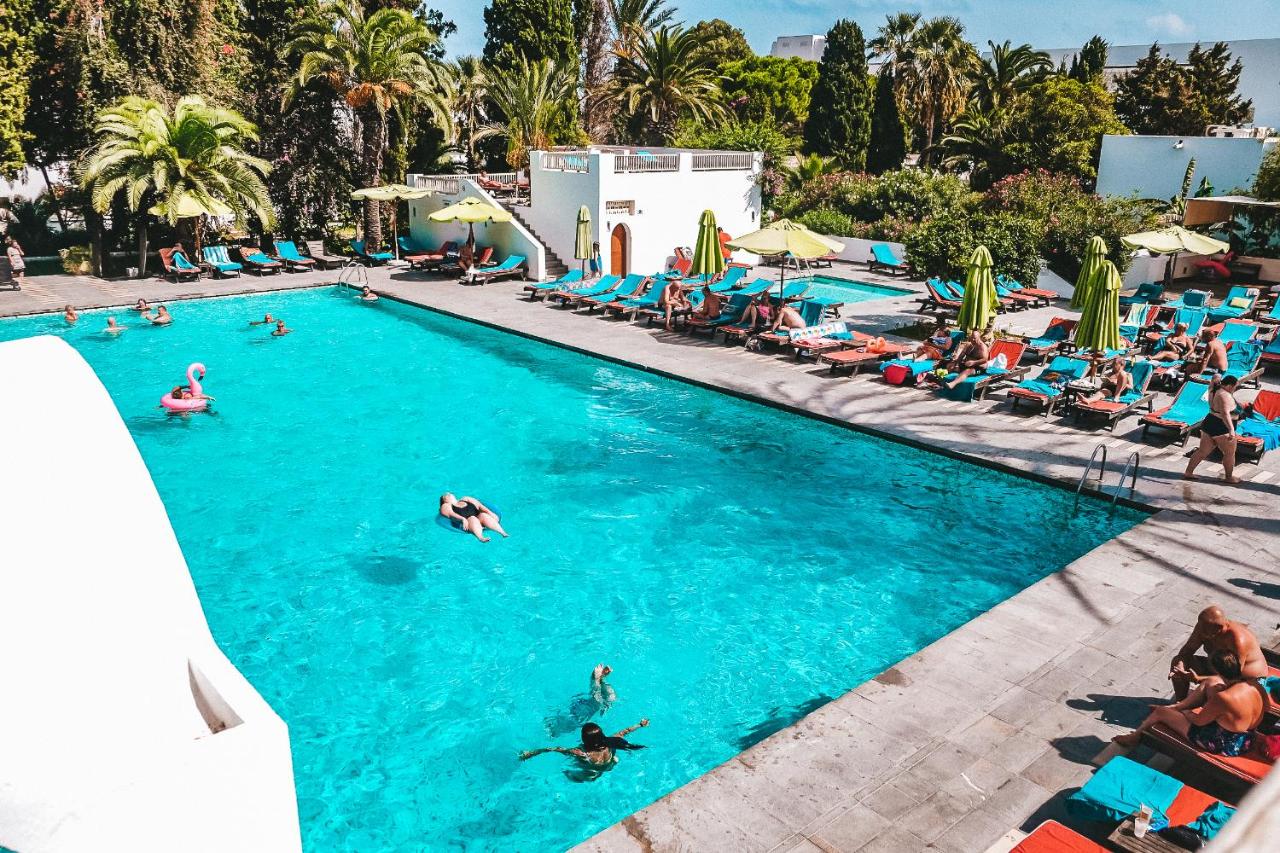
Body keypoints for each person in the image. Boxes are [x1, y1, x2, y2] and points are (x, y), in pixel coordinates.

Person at [1113, 650, 1265, 755]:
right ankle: (1175, 706)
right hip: (1246, 739)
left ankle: (1134, 737)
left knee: (1160, 712)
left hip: (1223, 743)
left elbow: (1198, 721)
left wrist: (1186, 712)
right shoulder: (1255, 685)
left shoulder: (1224, 697)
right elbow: (1266, 707)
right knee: (1211, 682)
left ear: (1218, 670)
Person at [1168, 605, 1267, 700]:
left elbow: (1232, 676)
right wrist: (1180, 667)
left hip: (1247, 679)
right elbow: (1187, 650)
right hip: (1218, 669)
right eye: (1200, 627)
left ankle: (1213, 707)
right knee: (1177, 661)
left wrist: (1198, 678)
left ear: (1220, 628)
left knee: (1213, 686)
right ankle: (1180, 702)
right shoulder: (1203, 627)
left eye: (1205, 631)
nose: (1201, 633)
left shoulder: (1238, 640)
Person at [520, 719, 650, 769]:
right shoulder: (611, 741)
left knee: (571, 773)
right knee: (613, 759)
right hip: (610, 763)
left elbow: (555, 749)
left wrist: (531, 753)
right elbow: (625, 731)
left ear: (584, 739)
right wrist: (640, 724)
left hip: (593, 770)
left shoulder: (581, 753)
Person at [1184, 375, 1243, 483]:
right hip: (1222, 427)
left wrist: (1217, 377)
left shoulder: (1213, 389)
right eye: (1235, 387)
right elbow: (1225, 414)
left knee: (1202, 451)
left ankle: (1188, 472)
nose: (1234, 389)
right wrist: (1231, 430)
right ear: (1230, 386)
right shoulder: (1224, 395)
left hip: (1209, 422)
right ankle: (1229, 477)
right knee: (1229, 453)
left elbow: (1215, 377)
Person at [544, 664, 619, 737]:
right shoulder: (562, 721)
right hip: (581, 706)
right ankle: (600, 680)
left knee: (602, 700)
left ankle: (596, 680)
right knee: (606, 698)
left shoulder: (566, 727)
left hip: (584, 711)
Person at [438, 493, 507, 542]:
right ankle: (481, 537)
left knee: (483, 515)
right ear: (444, 501)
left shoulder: (466, 498)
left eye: (449, 493)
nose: (448, 494)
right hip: (468, 524)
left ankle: (503, 533)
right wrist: (462, 519)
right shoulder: (446, 505)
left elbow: (479, 506)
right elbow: (450, 514)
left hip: (480, 518)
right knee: (472, 518)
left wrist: (490, 513)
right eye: (445, 496)